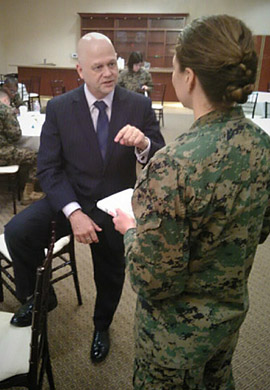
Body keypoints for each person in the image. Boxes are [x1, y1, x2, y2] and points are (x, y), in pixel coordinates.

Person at [112, 15, 270, 389]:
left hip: (172, 341)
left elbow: (151, 278)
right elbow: (261, 228)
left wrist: (129, 230)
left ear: (189, 77)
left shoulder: (173, 165)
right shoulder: (265, 147)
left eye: (173, 66)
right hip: (227, 320)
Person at [4, 33, 165, 364]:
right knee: (17, 232)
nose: (108, 73)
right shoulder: (60, 108)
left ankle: (101, 325)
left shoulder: (138, 105)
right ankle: (39, 297)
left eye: (112, 64)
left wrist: (144, 145)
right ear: (80, 70)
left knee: (110, 271)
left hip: (114, 204)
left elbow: (162, 159)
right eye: (97, 67)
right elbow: (48, 170)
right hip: (70, 198)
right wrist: (74, 212)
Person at [0, 88, 43, 205]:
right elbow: (15, 135)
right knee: (37, 156)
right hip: (2, 153)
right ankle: (29, 193)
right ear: (5, 100)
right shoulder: (5, 110)